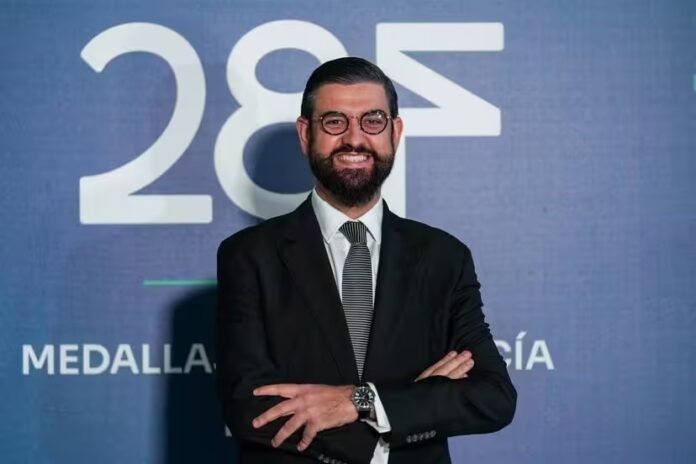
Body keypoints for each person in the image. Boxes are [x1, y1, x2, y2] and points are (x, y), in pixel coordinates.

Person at [216, 57, 516, 464]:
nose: (354, 139)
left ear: (395, 132)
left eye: (373, 121)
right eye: (334, 122)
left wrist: (361, 401)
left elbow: (493, 396)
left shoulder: (445, 257)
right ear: (305, 134)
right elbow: (250, 409)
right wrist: (404, 413)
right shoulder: (248, 256)